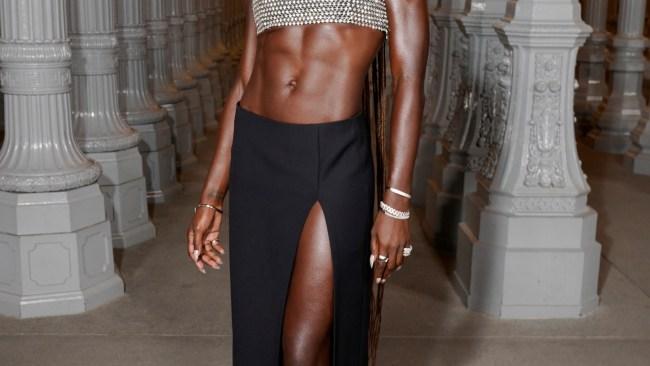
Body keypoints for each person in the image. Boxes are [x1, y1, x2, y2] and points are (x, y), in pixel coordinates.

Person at [186, 0, 428, 364]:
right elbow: (245, 80)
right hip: (257, 153)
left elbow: (408, 78)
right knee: (259, 329)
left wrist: (397, 202)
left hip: (334, 156)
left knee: (304, 342)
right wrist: (211, 196)